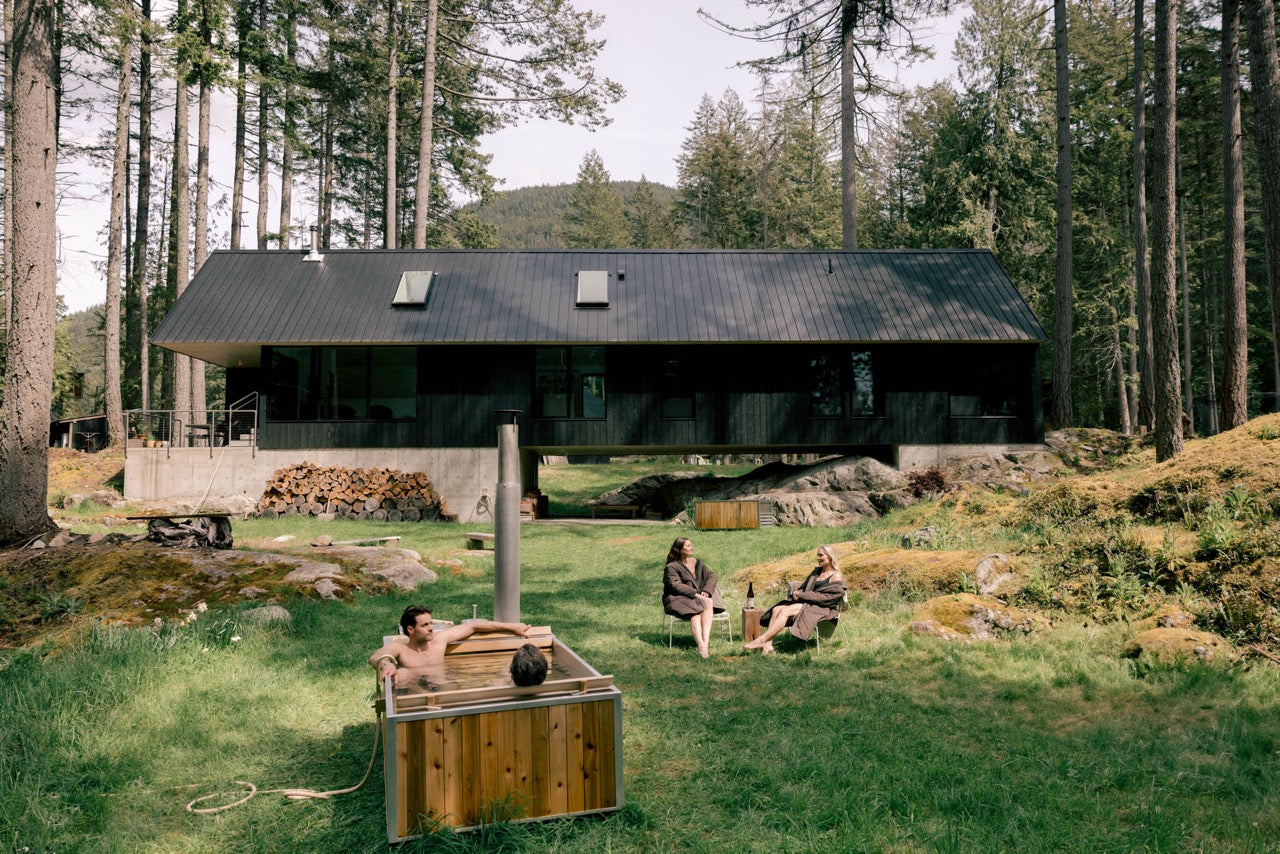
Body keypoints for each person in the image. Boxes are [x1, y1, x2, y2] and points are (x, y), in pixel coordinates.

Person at [369, 605, 531, 689]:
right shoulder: (400, 648)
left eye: (431, 623)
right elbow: (376, 657)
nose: (431, 628)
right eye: (425, 625)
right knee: (403, 674)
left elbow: (474, 627)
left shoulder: (440, 641)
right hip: (414, 692)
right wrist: (388, 663)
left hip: (443, 687)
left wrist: (511, 627)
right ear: (410, 630)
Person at [745, 545, 846, 655]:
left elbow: (829, 598)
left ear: (830, 557)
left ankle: (761, 640)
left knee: (785, 611)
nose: (818, 558)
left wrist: (804, 596)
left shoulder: (835, 576)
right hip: (808, 603)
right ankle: (768, 645)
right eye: (817, 555)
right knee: (776, 609)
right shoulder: (817, 571)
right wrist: (797, 593)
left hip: (823, 607)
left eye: (821, 555)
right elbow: (804, 586)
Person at [661, 537, 724, 658]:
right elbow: (675, 585)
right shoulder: (671, 567)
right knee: (695, 615)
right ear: (680, 549)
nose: (691, 548)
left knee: (709, 601)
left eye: (691, 545)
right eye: (688, 546)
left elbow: (711, 576)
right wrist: (695, 594)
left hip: (696, 597)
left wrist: (706, 590)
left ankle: (705, 642)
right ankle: (701, 645)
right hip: (678, 598)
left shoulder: (695, 562)